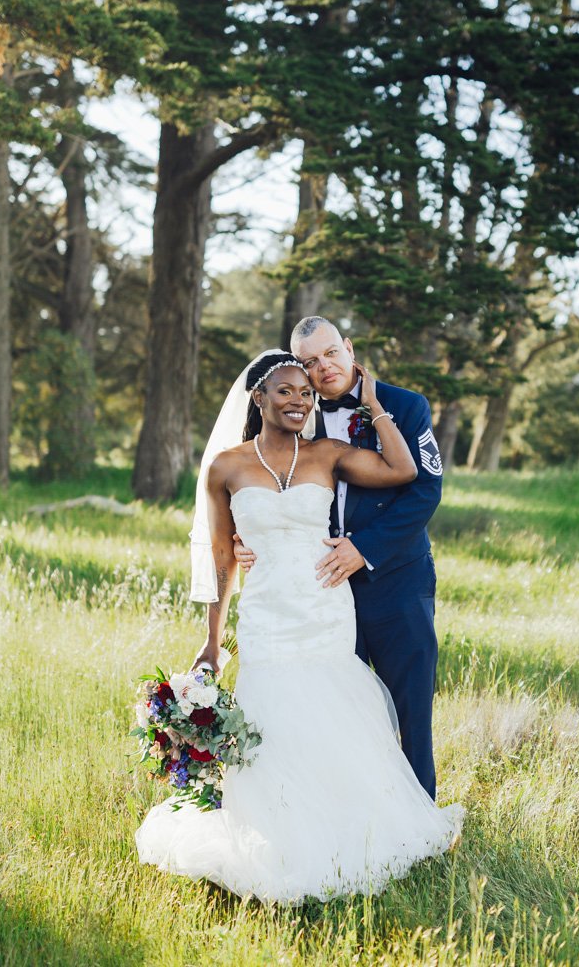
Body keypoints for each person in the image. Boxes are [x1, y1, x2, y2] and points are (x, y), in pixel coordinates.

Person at [135, 350, 461, 903]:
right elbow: (221, 559)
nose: (298, 401)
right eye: (284, 391)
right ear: (258, 398)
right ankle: (275, 834)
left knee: (334, 710)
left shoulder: (328, 454)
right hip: (266, 614)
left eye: (305, 393)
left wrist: (378, 408)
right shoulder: (226, 467)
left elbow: (404, 472)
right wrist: (211, 642)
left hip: (325, 606)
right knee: (273, 717)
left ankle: (349, 825)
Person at [234, 317, 445, 800]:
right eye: (309, 361)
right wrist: (245, 539)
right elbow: (262, 482)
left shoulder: (405, 406)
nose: (321, 367)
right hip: (322, 594)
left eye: (330, 353)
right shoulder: (296, 410)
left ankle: (421, 818)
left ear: (348, 348)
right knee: (338, 713)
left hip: (397, 582)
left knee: (411, 709)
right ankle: (352, 815)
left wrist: (364, 549)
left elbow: (425, 491)